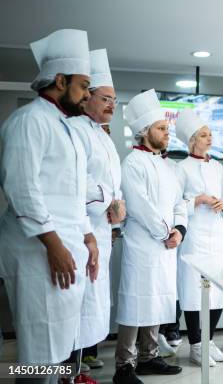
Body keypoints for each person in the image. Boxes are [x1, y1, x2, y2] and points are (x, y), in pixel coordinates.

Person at [0, 29, 98, 382]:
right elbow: (22, 188)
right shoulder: (29, 121)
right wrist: (54, 244)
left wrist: (88, 237)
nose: (87, 94)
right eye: (84, 86)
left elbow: (72, 192)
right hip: (36, 251)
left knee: (59, 342)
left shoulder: (66, 127)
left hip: (64, 248)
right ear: (60, 80)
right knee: (38, 345)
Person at [113, 89, 186, 384]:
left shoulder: (169, 166)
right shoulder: (132, 164)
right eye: (161, 129)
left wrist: (179, 231)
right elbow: (140, 206)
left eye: (167, 129)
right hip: (143, 245)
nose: (167, 134)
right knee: (136, 302)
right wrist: (164, 232)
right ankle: (124, 365)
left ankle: (149, 356)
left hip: (166, 246)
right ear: (145, 132)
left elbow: (180, 203)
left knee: (157, 301)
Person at [69, 49, 126, 376]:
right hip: (80, 232)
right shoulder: (76, 129)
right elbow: (78, 181)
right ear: (87, 97)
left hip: (102, 232)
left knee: (92, 304)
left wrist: (116, 205)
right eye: (105, 98)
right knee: (76, 305)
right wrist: (110, 200)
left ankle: (78, 371)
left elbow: (111, 184)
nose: (111, 105)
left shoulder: (102, 137)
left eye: (114, 101)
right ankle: (68, 372)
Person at [175, 110, 223, 366]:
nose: (209, 138)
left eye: (210, 134)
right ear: (192, 140)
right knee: (193, 289)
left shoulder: (217, 167)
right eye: (203, 135)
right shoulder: (181, 168)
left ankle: (209, 341)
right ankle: (197, 345)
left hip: (216, 232)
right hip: (195, 234)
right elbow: (176, 203)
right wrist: (197, 200)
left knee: (219, 288)